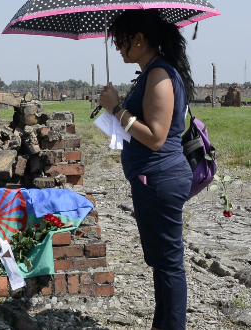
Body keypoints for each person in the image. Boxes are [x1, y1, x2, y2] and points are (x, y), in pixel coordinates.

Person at [98, 9, 194, 330]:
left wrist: (116, 107)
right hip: (150, 180)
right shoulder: (150, 72)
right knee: (159, 260)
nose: (118, 48)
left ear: (139, 39)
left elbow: (155, 136)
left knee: (168, 264)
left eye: (121, 41)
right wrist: (115, 112)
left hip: (160, 179)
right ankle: (162, 324)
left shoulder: (160, 76)